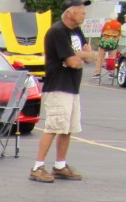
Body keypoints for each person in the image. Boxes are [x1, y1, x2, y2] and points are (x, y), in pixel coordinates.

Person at [30, 0, 95, 183]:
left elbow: (90, 57)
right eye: (80, 10)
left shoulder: (76, 31)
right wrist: (80, 56)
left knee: (67, 128)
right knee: (53, 126)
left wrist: (80, 55)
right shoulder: (58, 32)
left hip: (72, 86)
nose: (84, 13)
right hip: (58, 86)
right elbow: (73, 62)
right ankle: (37, 167)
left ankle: (60, 165)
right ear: (69, 12)